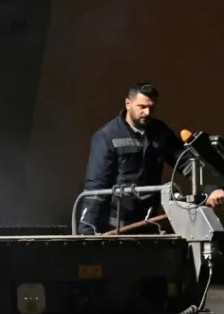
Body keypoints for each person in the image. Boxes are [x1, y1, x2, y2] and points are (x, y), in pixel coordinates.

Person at [79, 82, 212, 233]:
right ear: (128, 104)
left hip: (149, 222)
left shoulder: (160, 132)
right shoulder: (107, 136)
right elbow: (96, 187)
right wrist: (86, 229)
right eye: (142, 107)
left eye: (151, 108)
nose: (147, 112)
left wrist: (211, 188)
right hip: (116, 228)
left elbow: (186, 162)